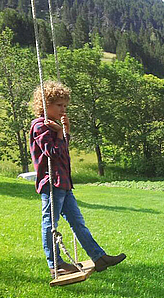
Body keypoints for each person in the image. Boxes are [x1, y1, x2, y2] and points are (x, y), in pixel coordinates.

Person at [29, 80, 126, 277]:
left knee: (78, 222)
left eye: (65, 105)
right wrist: (58, 132)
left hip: (64, 182)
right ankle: (55, 263)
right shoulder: (40, 126)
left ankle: (98, 257)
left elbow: (63, 150)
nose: (63, 109)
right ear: (45, 104)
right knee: (50, 223)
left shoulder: (55, 126)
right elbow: (53, 153)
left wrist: (65, 131)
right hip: (51, 182)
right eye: (59, 105)